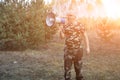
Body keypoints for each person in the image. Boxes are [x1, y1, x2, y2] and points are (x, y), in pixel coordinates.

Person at [59, 14, 90, 80]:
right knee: (67, 70)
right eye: (68, 15)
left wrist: (87, 47)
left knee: (78, 70)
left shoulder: (80, 25)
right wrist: (61, 29)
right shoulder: (65, 25)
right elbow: (62, 37)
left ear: (75, 16)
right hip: (68, 50)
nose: (70, 17)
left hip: (78, 50)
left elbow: (85, 36)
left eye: (71, 15)